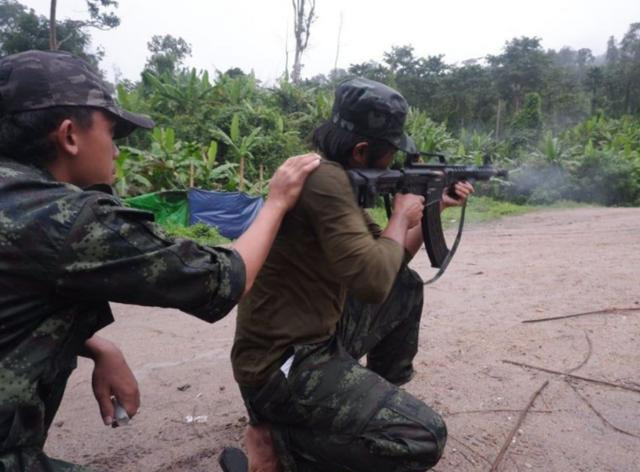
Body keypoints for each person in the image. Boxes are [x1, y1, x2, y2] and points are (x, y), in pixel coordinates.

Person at [0, 49, 320, 471]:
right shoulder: (66, 219)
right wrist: (276, 202)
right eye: (111, 132)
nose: (115, 150)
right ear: (69, 135)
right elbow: (223, 278)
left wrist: (97, 346)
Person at [230, 77, 473, 472]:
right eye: (390, 154)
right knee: (423, 437)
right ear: (362, 151)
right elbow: (374, 282)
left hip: (312, 343)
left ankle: (374, 401)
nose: (394, 163)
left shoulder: (333, 180)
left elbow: (389, 266)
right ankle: (276, 443)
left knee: (406, 286)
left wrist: (435, 206)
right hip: (281, 366)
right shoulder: (325, 182)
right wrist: (399, 215)